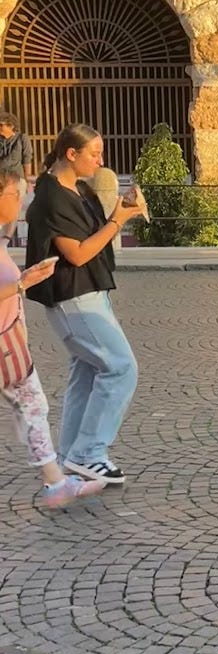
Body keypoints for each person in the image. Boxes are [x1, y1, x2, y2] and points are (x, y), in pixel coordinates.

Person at [23, 125, 142, 487]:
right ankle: (89, 454)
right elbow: (76, 253)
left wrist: (121, 210)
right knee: (121, 368)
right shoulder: (51, 197)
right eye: (94, 153)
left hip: (89, 292)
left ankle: (72, 454)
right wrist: (118, 220)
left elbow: (92, 238)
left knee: (88, 371)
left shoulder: (77, 188)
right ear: (71, 154)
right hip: (73, 296)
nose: (100, 161)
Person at [0, 171, 106, 508]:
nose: (21, 202)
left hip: (9, 342)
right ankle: (54, 482)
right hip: (4, 346)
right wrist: (23, 283)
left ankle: (54, 480)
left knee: (33, 406)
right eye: (16, 195)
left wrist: (24, 276)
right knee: (32, 406)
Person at [0, 113, 34, 241]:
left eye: (1, 125)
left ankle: (7, 238)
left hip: (17, 178)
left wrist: (28, 180)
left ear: (11, 126)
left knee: (14, 209)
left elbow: (27, 159)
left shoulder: (22, 138)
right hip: (1, 179)